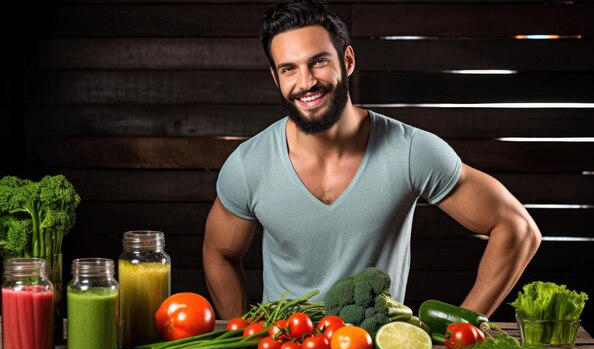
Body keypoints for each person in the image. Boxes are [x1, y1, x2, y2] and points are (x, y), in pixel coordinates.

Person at [202, 0, 541, 320]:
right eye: (289, 69)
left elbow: (518, 228)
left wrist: (465, 326)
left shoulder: (411, 151)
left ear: (347, 60)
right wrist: (244, 332)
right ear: (276, 78)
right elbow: (220, 254)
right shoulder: (249, 164)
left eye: (318, 61)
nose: (306, 82)